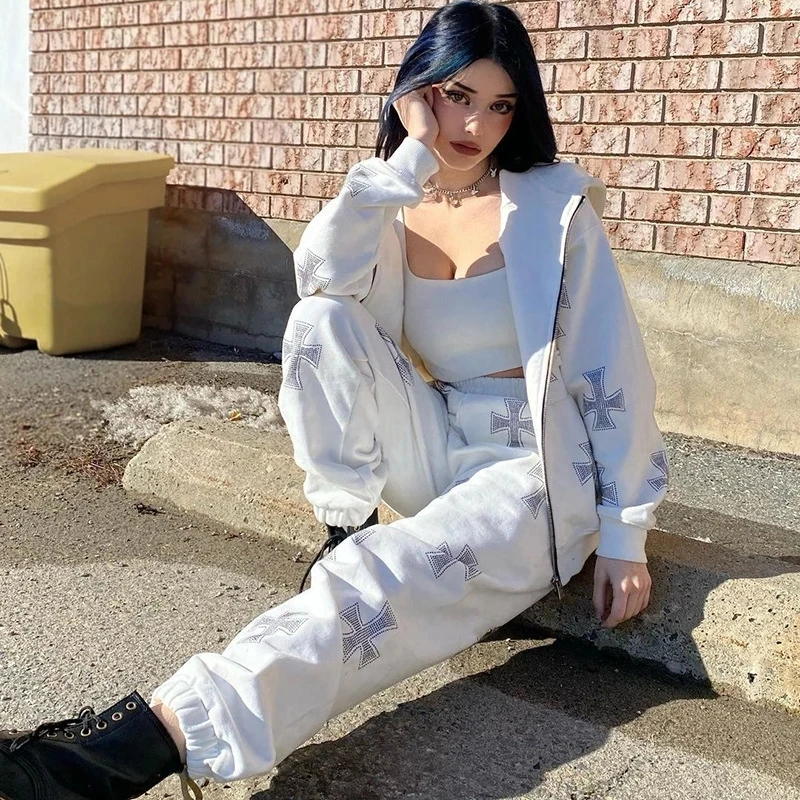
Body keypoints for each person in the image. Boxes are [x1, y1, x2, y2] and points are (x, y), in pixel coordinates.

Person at [0, 1, 669, 798]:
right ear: (417, 91)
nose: (475, 125)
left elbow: (611, 370)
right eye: (457, 95)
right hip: (440, 440)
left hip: (539, 474)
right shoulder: (392, 195)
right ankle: (343, 528)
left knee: (381, 581)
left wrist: (625, 531)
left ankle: (133, 747)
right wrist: (409, 161)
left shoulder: (555, 209)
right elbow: (318, 279)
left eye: (500, 105)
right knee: (320, 322)